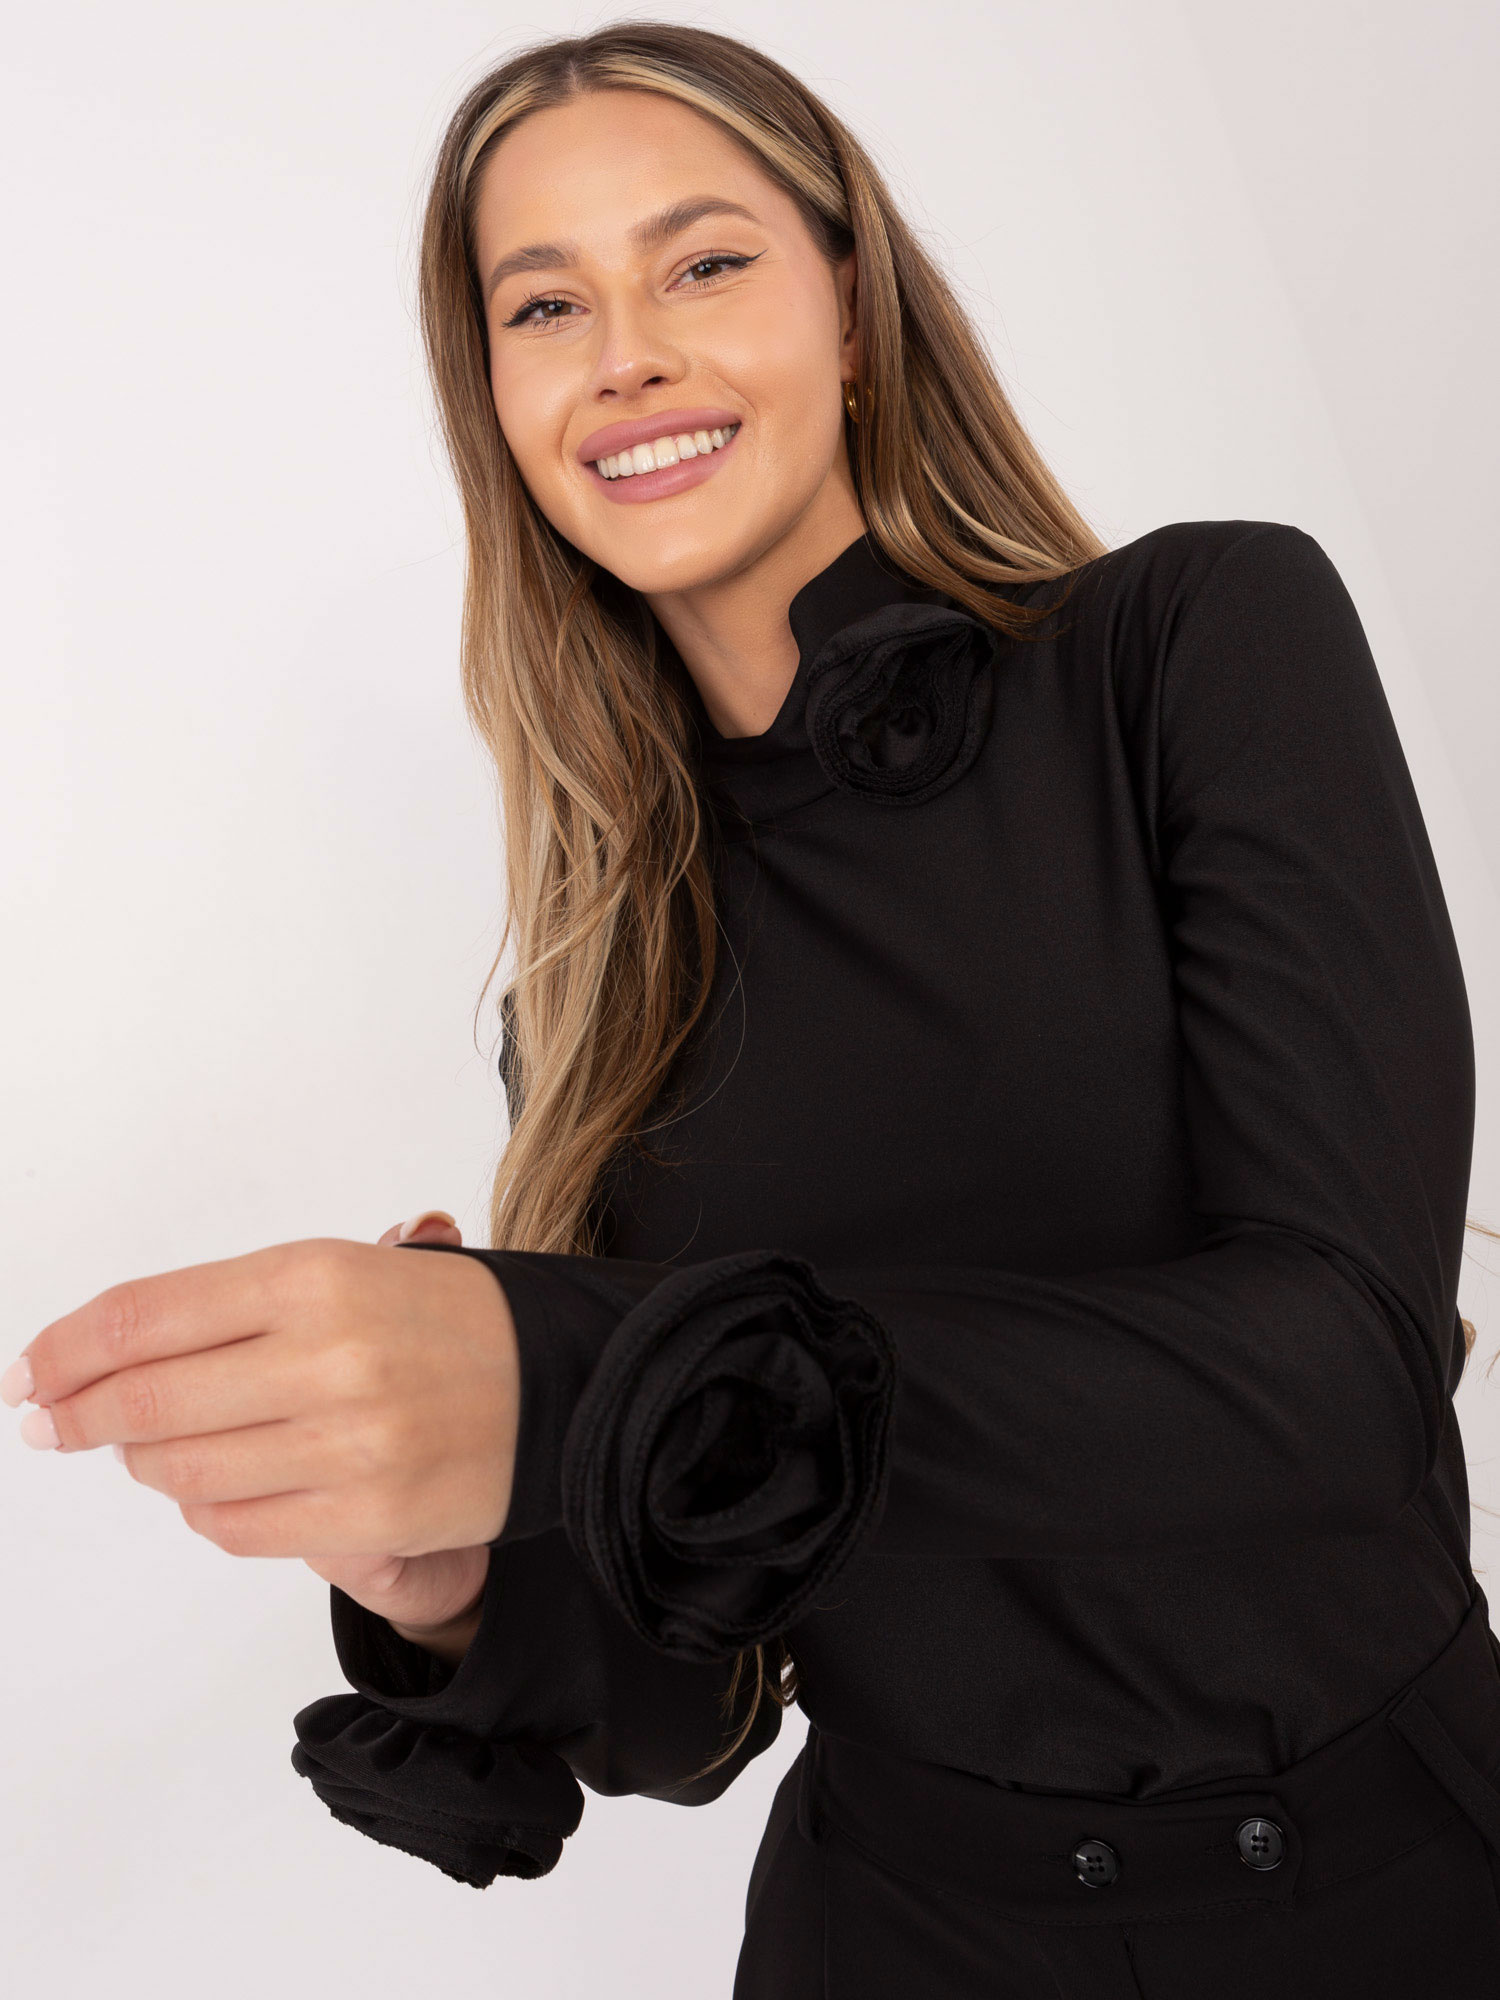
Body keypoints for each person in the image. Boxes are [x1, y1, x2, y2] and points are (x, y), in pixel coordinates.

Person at [7, 20, 1493, 1998]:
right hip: (900, 1935)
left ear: (852, 309)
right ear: (499, 400)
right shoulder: (597, 984)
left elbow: (1339, 1371)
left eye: (703, 262)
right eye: (547, 305)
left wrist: (570, 1373)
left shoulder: (1197, 643)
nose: (626, 351)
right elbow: (687, 1710)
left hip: (1409, 1891)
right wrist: (447, 1567)